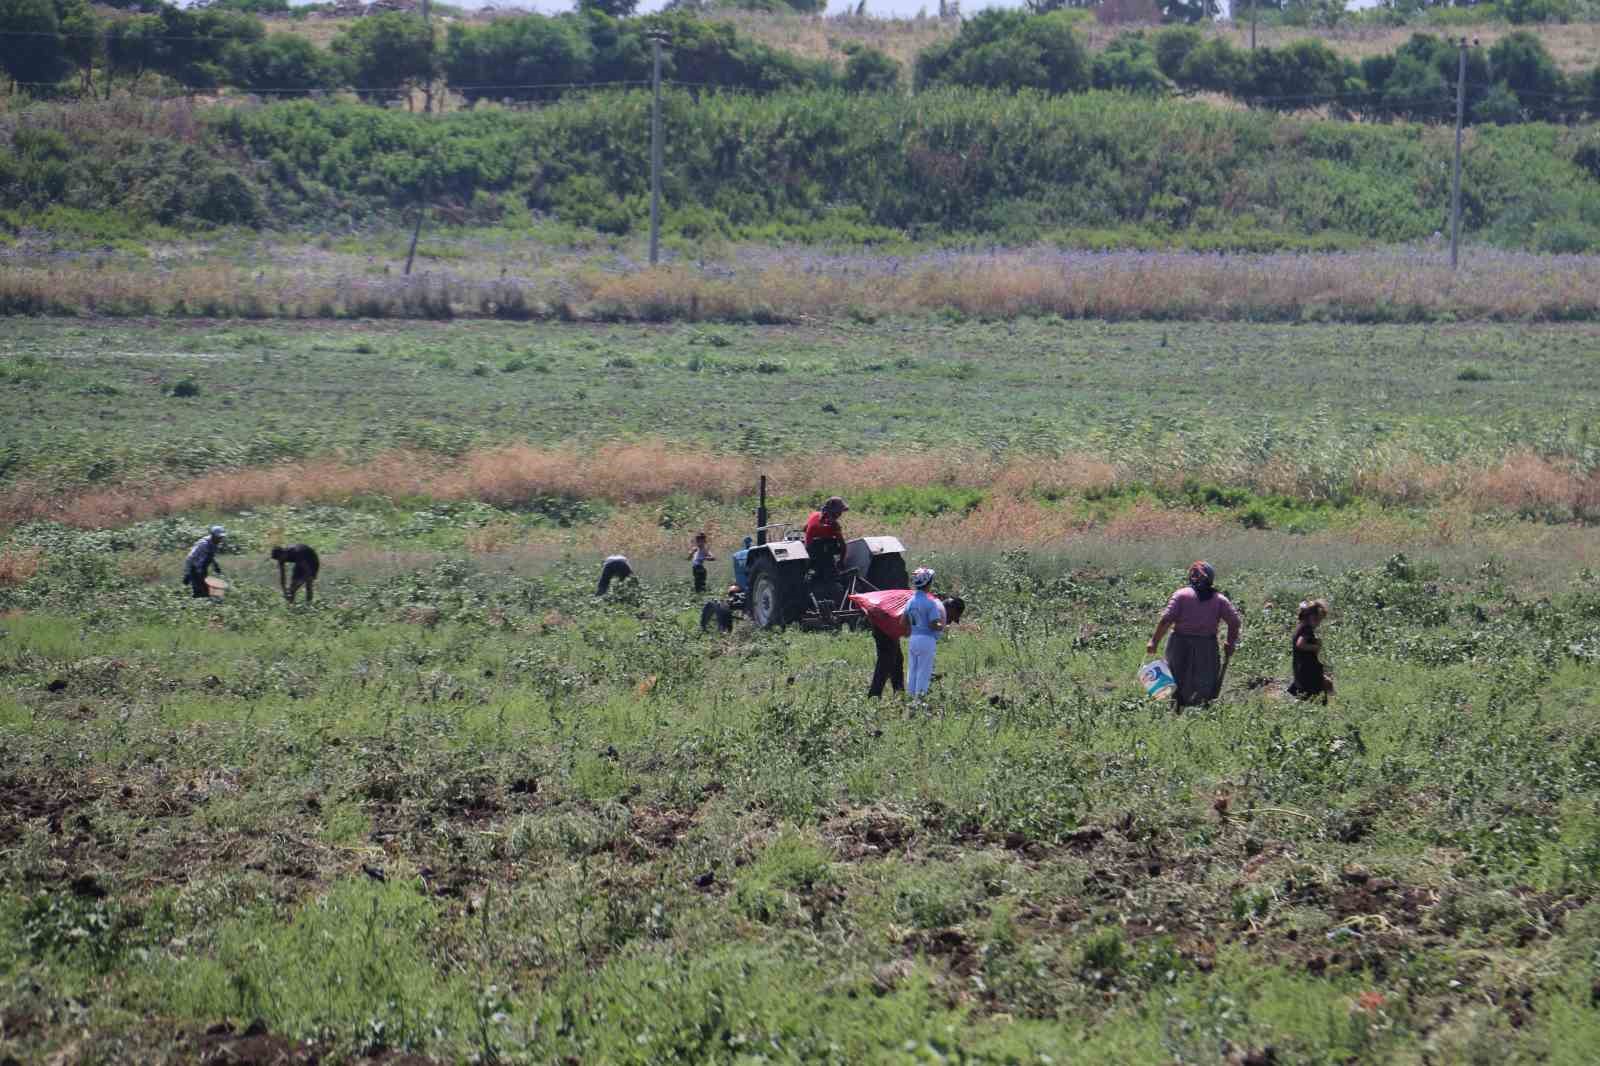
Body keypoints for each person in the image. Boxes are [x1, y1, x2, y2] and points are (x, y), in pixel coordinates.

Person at [1146, 561, 1242, 708]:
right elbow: (1234, 622)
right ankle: (1201, 707)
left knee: (1175, 676)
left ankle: (1174, 708)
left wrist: (1154, 641)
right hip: (1206, 646)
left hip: (1179, 644)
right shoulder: (1219, 600)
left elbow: (1166, 619)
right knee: (1205, 680)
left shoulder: (1181, 595)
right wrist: (1230, 643)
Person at [905, 567, 946, 698]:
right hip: (927, 640)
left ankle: (910, 698)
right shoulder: (930, 603)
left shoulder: (910, 602)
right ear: (928, 584)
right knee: (924, 672)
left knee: (913, 670)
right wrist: (943, 626)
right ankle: (919, 703)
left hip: (913, 638)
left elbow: (902, 621)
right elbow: (934, 624)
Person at [1288, 599, 1334, 702]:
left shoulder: (1300, 627)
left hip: (1302, 666)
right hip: (1308, 668)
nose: (1319, 624)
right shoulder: (1306, 630)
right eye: (1319, 620)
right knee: (1315, 693)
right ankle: (1336, 705)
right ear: (1312, 617)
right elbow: (1300, 644)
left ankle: (1336, 703)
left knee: (1307, 693)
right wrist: (1316, 647)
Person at [804, 496, 849, 587]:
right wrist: (841, 562)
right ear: (834, 512)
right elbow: (843, 546)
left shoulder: (814, 514)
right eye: (839, 512)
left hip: (808, 552)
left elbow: (804, 528)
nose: (840, 514)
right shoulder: (834, 525)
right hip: (822, 555)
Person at [183, 525, 226, 599]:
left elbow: (210, 555)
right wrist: (187, 574)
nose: (220, 539)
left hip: (202, 569)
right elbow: (190, 558)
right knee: (200, 593)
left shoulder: (215, 544)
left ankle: (207, 602)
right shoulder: (203, 544)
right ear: (212, 535)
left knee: (207, 591)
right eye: (218, 537)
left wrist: (215, 566)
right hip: (194, 570)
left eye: (221, 537)